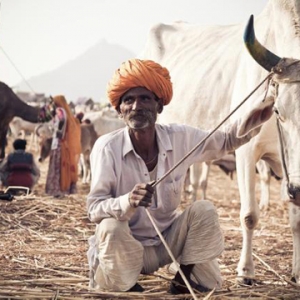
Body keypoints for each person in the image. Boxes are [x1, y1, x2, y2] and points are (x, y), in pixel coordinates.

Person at [86, 59, 274, 293]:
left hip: (166, 243)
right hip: (125, 248)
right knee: (111, 227)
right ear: (119, 109)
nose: (136, 106)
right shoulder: (107, 148)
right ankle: (127, 286)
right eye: (128, 100)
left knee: (204, 211)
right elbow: (94, 209)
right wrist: (127, 201)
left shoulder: (180, 137)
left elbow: (225, 140)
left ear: (159, 106)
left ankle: (183, 280)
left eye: (145, 98)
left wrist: (259, 110)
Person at [45, 95, 81, 197]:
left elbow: (60, 124)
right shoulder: (64, 111)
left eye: (54, 102)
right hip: (61, 143)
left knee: (58, 166)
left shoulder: (60, 111)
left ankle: (57, 189)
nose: (53, 104)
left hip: (58, 144)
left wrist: (55, 128)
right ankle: (63, 189)